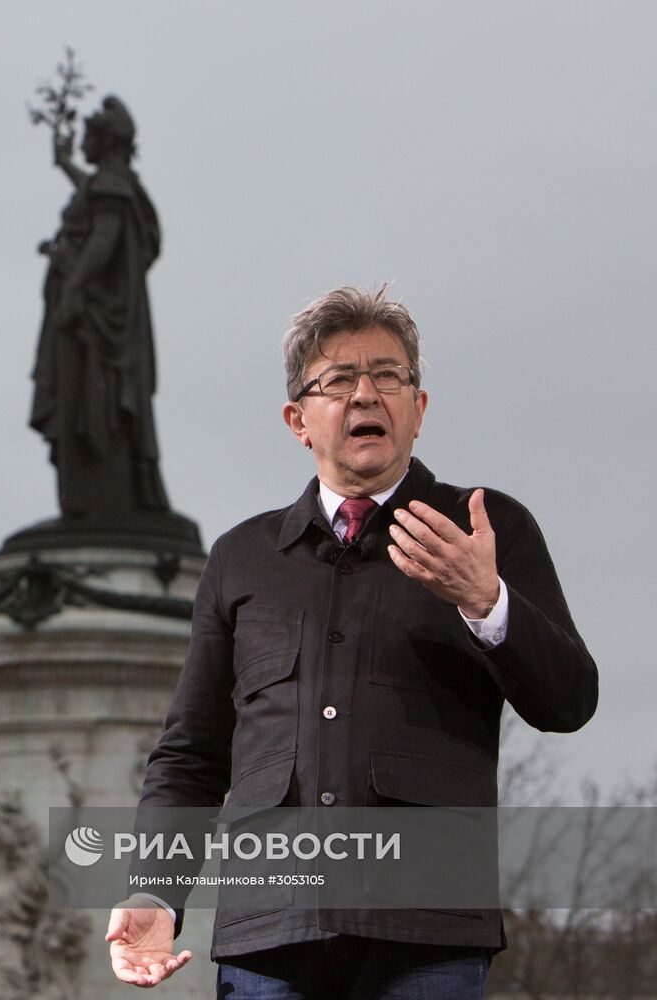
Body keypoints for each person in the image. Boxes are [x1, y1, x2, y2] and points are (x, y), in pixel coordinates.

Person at [106, 285, 598, 997]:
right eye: (339, 380)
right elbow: (191, 754)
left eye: (389, 376)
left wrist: (486, 602)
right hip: (267, 940)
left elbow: (570, 700)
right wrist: (154, 893)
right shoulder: (242, 557)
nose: (366, 393)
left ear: (418, 409)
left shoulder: (484, 529)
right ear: (298, 419)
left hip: (427, 939)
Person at [31, 95, 168, 518]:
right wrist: (63, 163)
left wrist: (73, 287)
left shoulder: (113, 188)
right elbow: (95, 191)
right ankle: (94, 496)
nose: (84, 144)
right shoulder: (113, 184)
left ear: (108, 142)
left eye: (89, 136)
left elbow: (104, 240)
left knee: (92, 400)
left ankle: (98, 499)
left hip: (94, 322)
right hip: (90, 316)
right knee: (89, 400)